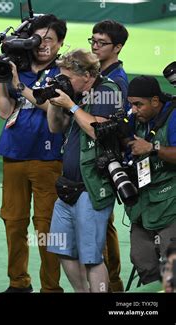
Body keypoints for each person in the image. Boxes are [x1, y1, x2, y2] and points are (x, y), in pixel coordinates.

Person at [0, 14, 67, 293]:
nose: (42, 44)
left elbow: (54, 110)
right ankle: (18, 283)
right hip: (14, 154)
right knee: (13, 222)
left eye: (49, 39)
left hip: (49, 159)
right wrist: (4, 76)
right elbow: (3, 111)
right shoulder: (18, 68)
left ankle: (51, 287)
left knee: (47, 228)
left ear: (60, 43)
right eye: (37, 39)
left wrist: (20, 87)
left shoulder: (63, 73)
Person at [46, 49, 121, 292]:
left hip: (93, 185)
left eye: (68, 77)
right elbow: (55, 127)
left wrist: (71, 105)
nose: (64, 81)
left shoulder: (107, 90)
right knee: (62, 249)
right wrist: (54, 101)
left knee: (91, 256)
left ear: (88, 75)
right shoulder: (77, 93)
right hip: (68, 185)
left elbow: (97, 130)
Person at [89, 19, 130, 292]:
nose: (94, 45)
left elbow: (100, 126)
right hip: (94, 158)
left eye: (101, 42)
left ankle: (112, 284)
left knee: (102, 225)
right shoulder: (100, 74)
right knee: (102, 225)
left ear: (118, 47)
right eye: (92, 39)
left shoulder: (115, 81)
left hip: (103, 159)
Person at [125, 76, 176, 285]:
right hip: (143, 203)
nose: (134, 110)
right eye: (131, 104)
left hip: (170, 203)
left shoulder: (173, 117)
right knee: (142, 260)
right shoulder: (136, 119)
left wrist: (152, 148)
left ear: (155, 101)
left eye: (139, 104)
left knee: (172, 266)